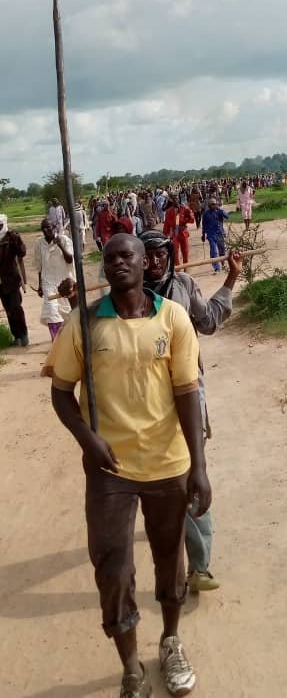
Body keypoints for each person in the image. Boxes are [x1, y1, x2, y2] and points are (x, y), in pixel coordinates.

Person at [49, 233, 210, 697]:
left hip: (167, 464)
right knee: (113, 568)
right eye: (111, 257)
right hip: (109, 472)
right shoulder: (85, 323)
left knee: (170, 562)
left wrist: (199, 467)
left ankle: (171, 641)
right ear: (104, 268)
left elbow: (187, 393)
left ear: (146, 264)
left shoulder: (173, 317)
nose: (119, 262)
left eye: (128, 256)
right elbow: (61, 392)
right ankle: (130, 668)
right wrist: (87, 439)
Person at [140, 230, 242, 593]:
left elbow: (209, 321)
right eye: (145, 255)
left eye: (158, 254)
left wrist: (231, 277)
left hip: (187, 398)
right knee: (165, 484)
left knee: (190, 476)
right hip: (147, 403)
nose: (152, 262)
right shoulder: (127, 295)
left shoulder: (183, 284)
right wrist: (76, 304)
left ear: (169, 254)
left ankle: (199, 566)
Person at [34, 219, 75, 341]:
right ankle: (56, 340)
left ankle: (67, 338)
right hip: (48, 282)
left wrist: (60, 245)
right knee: (51, 311)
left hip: (64, 282)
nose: (46, 231)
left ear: (54, 228)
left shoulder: (64, 240)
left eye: (48, 228)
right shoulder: (39, 243)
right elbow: (39, 266)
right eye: (43, 228)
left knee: (66, 312)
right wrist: (40, 285)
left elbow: (70, 260)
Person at [0, 214, 29, 347]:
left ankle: (23, 335)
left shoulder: (11, 238)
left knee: (16, 308)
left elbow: (22, 253)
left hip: (12, 280)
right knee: (9, 311)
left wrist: (17, 240)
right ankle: (16, 336)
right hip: (1, 283)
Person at [201, 198, 229, 273]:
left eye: (215, 204)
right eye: (212, 204)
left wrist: (219, 209)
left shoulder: (219, 212)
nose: (214, 206)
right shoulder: (206, 214)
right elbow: (204, 225)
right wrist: (203, 234)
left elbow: (227, 216)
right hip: (211, 235)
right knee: (214, 251)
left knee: (222, 250)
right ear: (209, 205)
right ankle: (217, 268)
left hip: (220, 234)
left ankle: (223, 264)